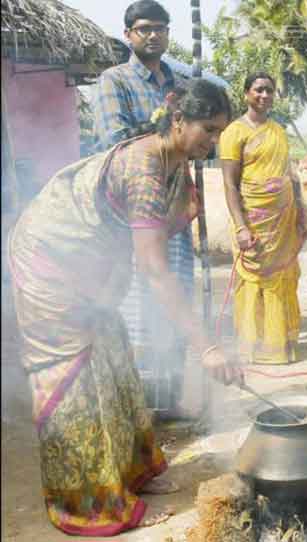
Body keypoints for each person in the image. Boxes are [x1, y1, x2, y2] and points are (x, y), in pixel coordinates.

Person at [8, 79, 241, 536]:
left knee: (112, 353)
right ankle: (88, 504)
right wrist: (207, 348)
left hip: (84, 264)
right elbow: (154, 271)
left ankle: (131, 475)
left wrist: (105, 293)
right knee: (74, 379)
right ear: (178, 120)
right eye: (208, 130)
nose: (213, 143)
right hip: (47, 265)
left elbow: (130, 245)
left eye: (219, 133)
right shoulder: (144, 169)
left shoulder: (174, 162)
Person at [93, 0, 194, 418]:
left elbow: (197, 137)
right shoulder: (113, 80)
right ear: (129, 34)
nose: (154, 35)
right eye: (144, 28)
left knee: (176, 297)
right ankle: (135, 411)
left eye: (161, 29)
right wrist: (165, 135)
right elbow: (114, 142)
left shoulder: (182, 82)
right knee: (137, 308)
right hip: (133, 214)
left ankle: (167, 404)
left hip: (176, 209)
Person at [219, 73, 307, 364]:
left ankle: (280, 344)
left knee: (282, 276)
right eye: (258, 90)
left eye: (269, 90)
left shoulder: (278, 131)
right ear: (246, 94)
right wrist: (241, 227)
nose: (264, 95)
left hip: (283, 221)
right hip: (253, 222)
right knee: (254, 280)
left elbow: (289, 177)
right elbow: (230, 184)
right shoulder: (233, 132)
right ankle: (253, 348)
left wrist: (301, 213)